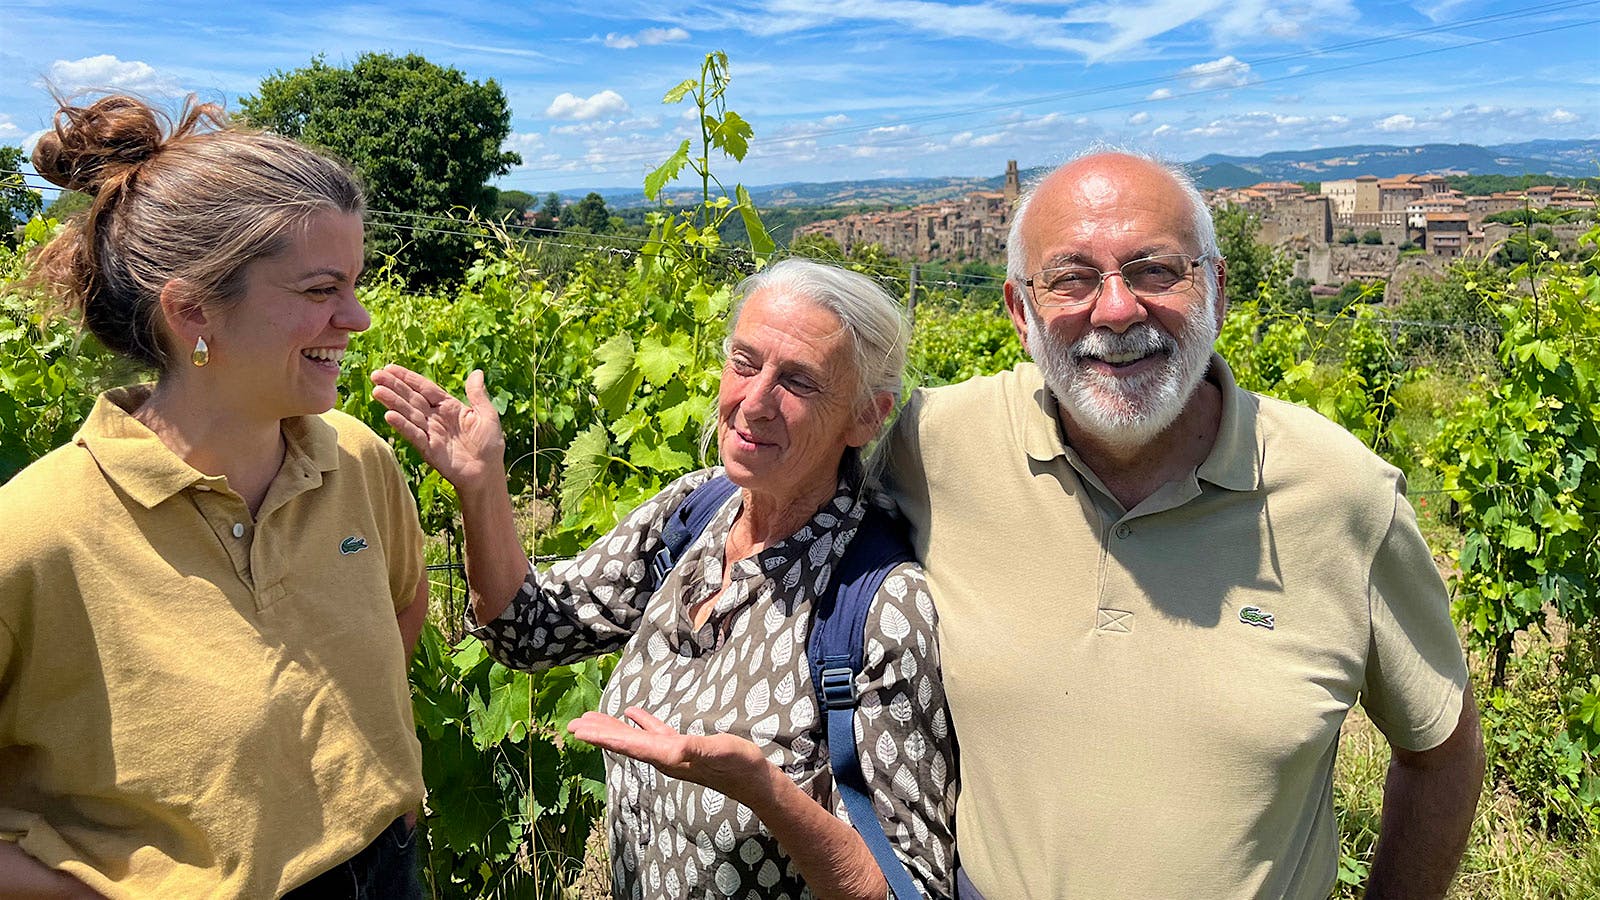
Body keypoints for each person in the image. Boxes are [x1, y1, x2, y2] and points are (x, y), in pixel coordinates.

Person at [882, 150, 1484, 899]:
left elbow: (1442, 753)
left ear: (1217, 290)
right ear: (1019, 313)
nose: (1116, 310)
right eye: (1071, 278)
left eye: (1154, 270)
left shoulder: (1344, 495)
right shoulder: (932, 446)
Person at [372, 258, 956, 900]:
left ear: (868, 417)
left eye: (799, 382)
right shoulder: (694, 511)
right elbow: (529, 631)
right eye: (744, 361)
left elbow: (912, 890)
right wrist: (482, 488)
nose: (754, 402)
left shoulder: (881, 607)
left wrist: (768, 795)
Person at [0, 95, 427, 899]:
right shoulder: (34, 533)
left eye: (357, 283)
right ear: (193, 310)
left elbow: (403, 610)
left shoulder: (357, 460)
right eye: (319, 290)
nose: (359, 317)